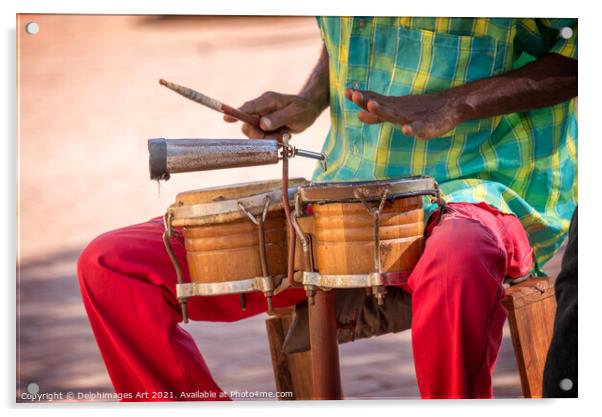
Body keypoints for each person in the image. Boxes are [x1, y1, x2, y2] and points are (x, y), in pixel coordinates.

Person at [78, 17, 577, 400]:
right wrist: (309, 100)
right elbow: (346, 30)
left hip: (482, 185)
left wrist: (455, 103)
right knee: (112, 266)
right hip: (344, 190)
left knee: (459, 260)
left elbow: (579, 56)